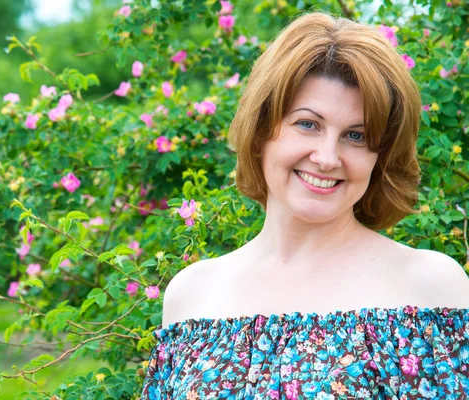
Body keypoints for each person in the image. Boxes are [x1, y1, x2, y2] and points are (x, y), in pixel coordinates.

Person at [140, 11, 469, 399]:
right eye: (308, 124)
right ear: (262, 129)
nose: (328, 157)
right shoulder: (192, 295)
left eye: (356, 135)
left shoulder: (430, 288)